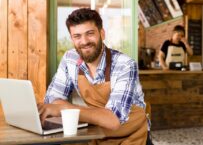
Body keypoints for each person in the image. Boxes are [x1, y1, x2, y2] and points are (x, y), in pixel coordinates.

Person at [38, 8, 150, 144]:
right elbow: (52, 101)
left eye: (90, 33)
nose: (84, 41)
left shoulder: (124, 64)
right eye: (77, 36)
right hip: (98, 135)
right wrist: (96, 115)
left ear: (102, 33)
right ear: (72, 38)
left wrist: (65, 108)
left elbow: (114, 120)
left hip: (132, 136)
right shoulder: (70, 59)